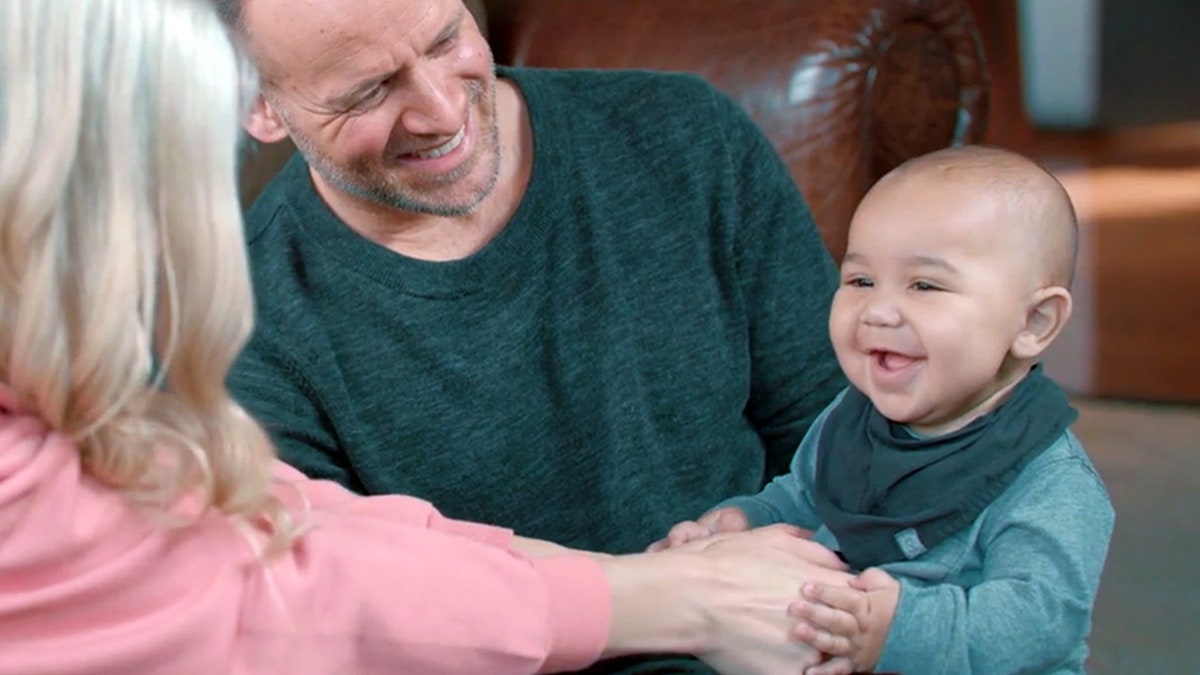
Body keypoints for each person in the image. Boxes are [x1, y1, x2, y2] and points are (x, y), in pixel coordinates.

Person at [0, 0, 856, 672]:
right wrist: (685, 601)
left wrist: (783, 576)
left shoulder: (685, 136)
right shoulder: (237, 330)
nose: (443, 111)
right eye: (369, 91)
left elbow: (856, 444)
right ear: (258, 105)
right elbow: (341, 610)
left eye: (446, 37)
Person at [651, 145, 1116, 674]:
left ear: (1033, 323)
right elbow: (802, 498)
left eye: (924, 285)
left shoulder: (1050, 482)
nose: (878, 310)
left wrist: (896, 631)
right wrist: (743, 521)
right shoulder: (850, 419)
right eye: (860, 281)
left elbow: (1037, 623)